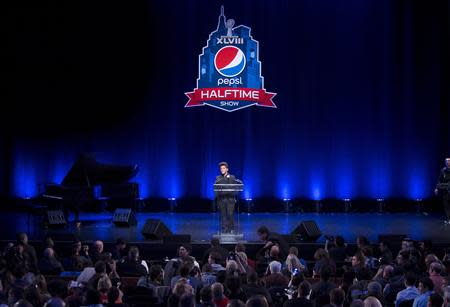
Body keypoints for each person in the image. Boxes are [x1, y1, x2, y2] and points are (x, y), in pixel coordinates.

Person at [215, 162, 239, 233]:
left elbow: (235, 188)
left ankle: (231, 228)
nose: (222, 170)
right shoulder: (218, 178)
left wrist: (232, 194)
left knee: (230, 214)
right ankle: (224, 229)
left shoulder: (232, 177)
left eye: (223, 168)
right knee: (223, 215)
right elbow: (216, 188)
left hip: (230, 199)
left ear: (227, 169)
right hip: (222, 199)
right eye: (221, 168)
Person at [435, 158, 450, 224]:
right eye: (446, 161)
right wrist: (436, 188)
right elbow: (439, 180)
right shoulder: (443, 170)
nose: (448, 162)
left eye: (449, 161)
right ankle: (448, 219)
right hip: (445, 190)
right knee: (446, 205)